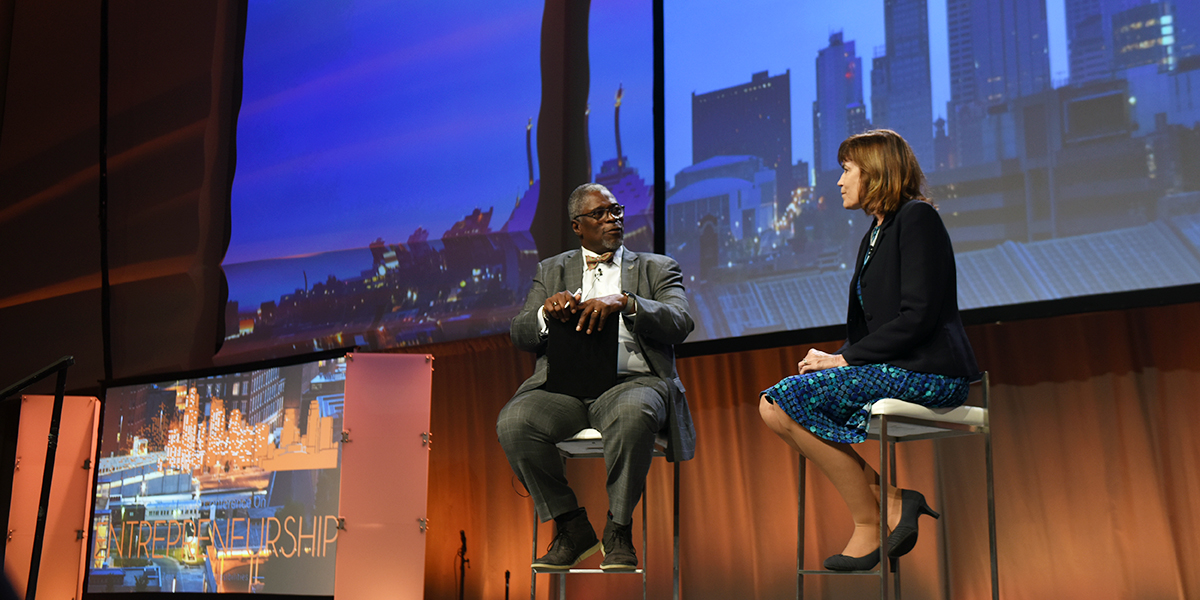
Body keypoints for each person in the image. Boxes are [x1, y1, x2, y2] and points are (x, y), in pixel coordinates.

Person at [759, 129, 979, 571]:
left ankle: (870, 520)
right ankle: (893, 501)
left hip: (932, 372)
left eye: (847, 170)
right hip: (894, 366)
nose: (839, 181)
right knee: (775, 405)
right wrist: (834, 356)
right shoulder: (873, 236)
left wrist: (842, 360)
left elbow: (916, 317)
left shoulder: (917, 219)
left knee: (783, 399)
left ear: (875, 172)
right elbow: (869, 331)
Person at [497, 182, 695, 571]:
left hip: (631, 383)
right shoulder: (550, 270)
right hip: (564, 390)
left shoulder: (657, 267)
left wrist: (627, 301)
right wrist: (544, 314)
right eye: (600, 214)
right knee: (514, 421)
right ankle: (571, 527)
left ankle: (619, 529)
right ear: (577, 225)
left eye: (616, 211)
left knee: (634, 413)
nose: (613, 219)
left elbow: (680, 320)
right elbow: (520, 332)